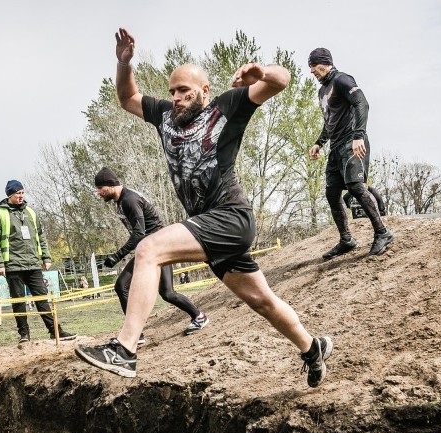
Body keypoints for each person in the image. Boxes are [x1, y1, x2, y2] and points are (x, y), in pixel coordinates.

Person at [75, 28, 332, 387]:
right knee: (263, 301)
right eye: (173, 91)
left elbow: (282, 81)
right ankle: (312, 347)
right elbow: (126, 96)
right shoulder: (164, 116)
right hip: (207, 225)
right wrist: (123, 62)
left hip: (231, 217)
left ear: (205, 91)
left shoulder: (227, 108)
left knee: (149, 248)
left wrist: (261, 72)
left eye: (185, 91)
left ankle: (125, 350)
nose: (177, 98)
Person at [94, 166, 208, 344]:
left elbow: (139, 233)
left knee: (158, 291)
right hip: (151, 248)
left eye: (100, 188)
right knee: (157, 291)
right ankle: (137, 335)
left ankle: (197, 317)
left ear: (110, 185)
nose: (98, 192)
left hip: (158, 246)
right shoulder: (121, 200)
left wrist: (118, 256)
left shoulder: (129, 200)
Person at [307, 47, 395, 259]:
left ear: (324, 63)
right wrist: (319, 143)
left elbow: (361, 103)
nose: (311, 72)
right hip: (336, 147)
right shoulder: (322, 91)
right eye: (310, 67)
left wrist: (358, 135)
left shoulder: (342, 80)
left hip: (352, 142)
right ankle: (346, 239)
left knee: (355, 187)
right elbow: (330, 121)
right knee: (331, 193)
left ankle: (383, 233)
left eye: (314, 67)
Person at [0, 179, 77, 343]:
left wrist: (46, 256)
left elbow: (41, 236)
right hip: (13, 265)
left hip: (33, 263)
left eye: (22, 192)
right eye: (18, 193)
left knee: (42, 298)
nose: (21, 196)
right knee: (19, 301)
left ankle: (55, 331)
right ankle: (24, 334)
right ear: (10, 195)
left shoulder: (31, 212)